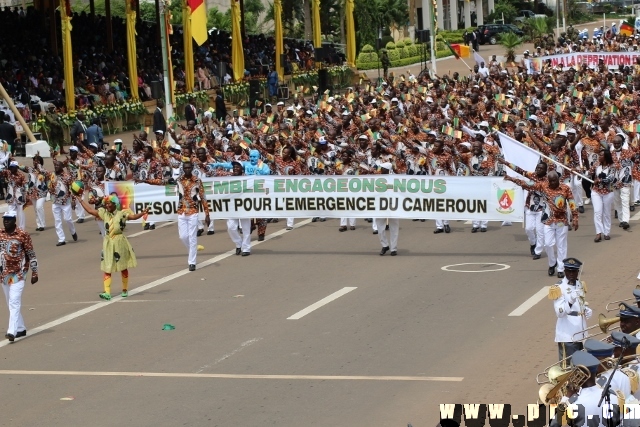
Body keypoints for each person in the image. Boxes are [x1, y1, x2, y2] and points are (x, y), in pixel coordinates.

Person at [74, 194, 148, 300]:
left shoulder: (122, 214)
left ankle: (125, 289)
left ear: (115, 204)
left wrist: (142, 213)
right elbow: (90, 211)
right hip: (108, 242)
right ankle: (107, 293)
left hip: (120, 241)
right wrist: (80, 200)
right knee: (107, 267)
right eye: (106, 204)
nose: (107, 206)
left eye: (109, 204)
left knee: (123, 267)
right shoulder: (104, 214)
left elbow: (133, 217)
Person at [505, 171, 578, 278]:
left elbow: (571, 202)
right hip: (548, 220)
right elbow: (526, 184)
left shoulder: (565, 188)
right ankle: (552, 264)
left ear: (558, 179)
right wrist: (511, 179)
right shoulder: (543, 186)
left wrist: (575, 217)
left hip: (562, 221)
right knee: (548, 244)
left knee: (561, 246)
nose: (552, 183)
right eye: (550, 181)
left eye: (554, 180)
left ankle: (561, 268)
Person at [146, 161, 210, 271]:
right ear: (183, 169)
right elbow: (161, 182)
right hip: (181, 211)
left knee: (192, 237)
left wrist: (207, 214)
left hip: (193, 212)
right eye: (185, 168)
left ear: (192, 168)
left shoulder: (197, 181)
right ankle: (192, 250)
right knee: (183, 237)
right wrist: (145, 181)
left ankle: (192, 262)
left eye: (189, 167)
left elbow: (203, 197)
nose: (187, 169)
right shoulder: (178, 180)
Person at [550, 351, 621, 427]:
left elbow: (554, 425)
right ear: (596, 371)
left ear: (576, 374)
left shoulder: (573, 404)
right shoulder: (613, 397)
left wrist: (566, 398)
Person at [0, 210, 38, 342]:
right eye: (4, 219)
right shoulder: (0, 233)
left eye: (9, 219)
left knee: (14, 301)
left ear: (15, 221)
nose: (6, 221)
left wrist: (35, 272)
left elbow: (31, 253)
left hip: (19, 273)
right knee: (10, 303)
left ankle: (12, 331)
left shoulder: (22, 235)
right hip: (4, 274)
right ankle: (21, 328)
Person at [549, 257, 591, 362]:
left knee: (582, 366)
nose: (571, 273)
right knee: (568, 367)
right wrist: (570, 301)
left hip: (581, 332)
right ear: (565, 271)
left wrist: (585, 310)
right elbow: (560, 313)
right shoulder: (558, 288)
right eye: (569, 271)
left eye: (574, 271)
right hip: (567, 334)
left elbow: (580, 304)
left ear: (578, 272)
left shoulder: (580, 284)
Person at [48, 159, 78, 246]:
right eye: (55, 165)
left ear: (62, 167)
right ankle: (61, 239)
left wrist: (73, 200)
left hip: (66, 202)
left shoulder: (67, 177)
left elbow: (72, 189)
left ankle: (73, 232)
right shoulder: (52, 175)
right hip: (55, 201)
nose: (56, 167)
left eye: (58, 165)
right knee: (57, 221)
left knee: (68, 219)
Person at [589, 148, 616, 242]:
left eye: (601, 155)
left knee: (606, 213)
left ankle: (607, 232)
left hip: (608, 192)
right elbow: (589, 173)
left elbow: (611, 178)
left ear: (606, 157)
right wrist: (576, 171)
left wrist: (600, 180)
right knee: (597, 212)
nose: (599, 156)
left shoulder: (612, 166)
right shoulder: (596, 164)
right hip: (596, 191)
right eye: (599, 155)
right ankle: (598, 233)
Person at [226, 161, 252, 256]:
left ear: (242, 168)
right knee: (231, 227)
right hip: (232, 206)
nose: (235, 168)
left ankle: (246, 248)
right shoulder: (228, 179)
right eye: (234, 167)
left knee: (246, 229)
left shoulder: (248, 178)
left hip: (245, 206)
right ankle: (238, 243)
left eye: (238, 167)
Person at [375, 162, 399, 256]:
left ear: (387, 170)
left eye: (382, 169)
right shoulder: (378, 178)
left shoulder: (396, 178)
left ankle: (394, 248)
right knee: (380, 226)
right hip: (381, 205)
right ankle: (385, 245)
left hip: (393, 205)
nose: (380, 170)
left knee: (394, 227)